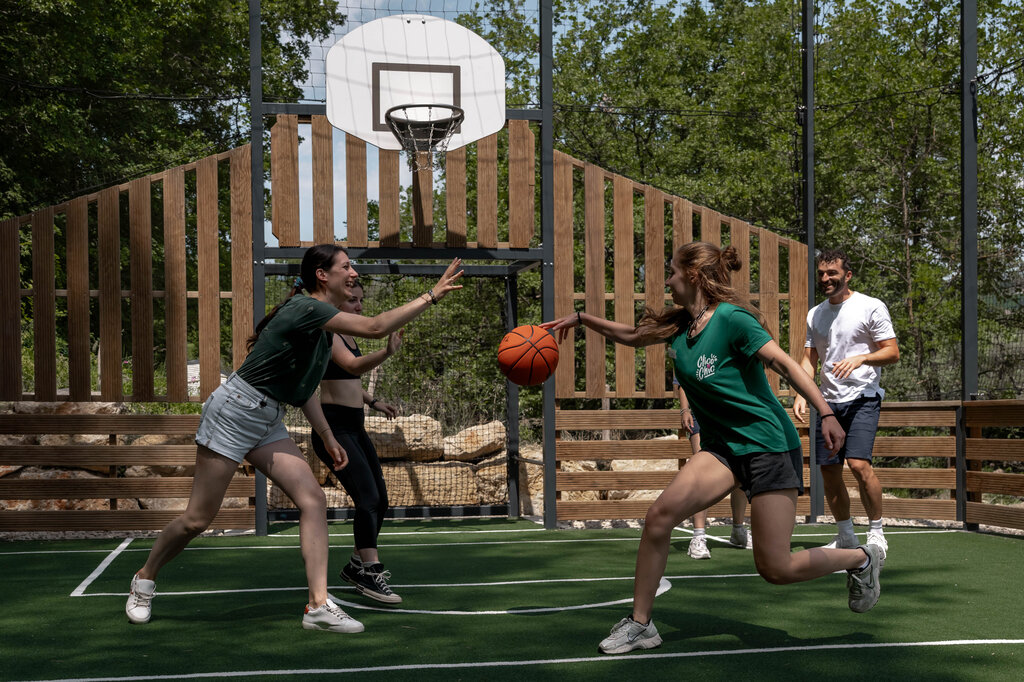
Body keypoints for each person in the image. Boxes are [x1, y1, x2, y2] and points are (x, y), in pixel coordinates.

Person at [542, 241, 884, 656]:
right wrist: (581, 318)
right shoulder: (682, 327)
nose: (666, 280)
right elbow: (632, 336)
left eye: (671, 272)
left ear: (693, 276)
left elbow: (784, 364)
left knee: (775, 568)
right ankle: (640, 624)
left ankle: (859, 559)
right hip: (722, 448)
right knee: (658, 518)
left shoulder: (733, 319)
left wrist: (826, 414)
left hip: (768, 447)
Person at [124, 245, 463, 632]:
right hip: (235, 411)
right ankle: (144, 579)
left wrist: (326, 435)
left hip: (268, 418)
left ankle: (318, 605)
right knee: (197, 519)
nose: (353, 273)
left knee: (312, 499)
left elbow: (303, 390)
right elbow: (375, 327)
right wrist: (431, 295)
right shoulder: (307, 308)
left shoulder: (321, 330)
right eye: (346, 266)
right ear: (323, 275)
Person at [793, 248, 899, 561]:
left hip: (864, 398)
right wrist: (801, 391)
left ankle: (877, 532)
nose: (825, 279)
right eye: (822, 274)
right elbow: (808, 359)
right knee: (828, 471)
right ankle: (846, 535)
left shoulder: (870, 306)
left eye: (832, 274)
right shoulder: (815, 314)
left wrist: (861, 358)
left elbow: (892, 352)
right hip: (828, 405)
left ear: (847, 275)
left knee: (858, 464)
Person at [312, 281, 404, 604]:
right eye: (353, 300)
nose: (359, 307)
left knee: (381, 500)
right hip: (333, 428)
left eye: (361, 301)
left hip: (355, 426)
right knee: (366, 498)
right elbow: (351, 366)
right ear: (337, 301)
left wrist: (373, 401)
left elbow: (348, 380)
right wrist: (386, 352)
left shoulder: (349, 335)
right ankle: (370, 570)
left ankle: (355, 566)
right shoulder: (328, 331)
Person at [673, 378, 752, 560]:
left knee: (740, 471)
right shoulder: (693, 350)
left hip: (733, 414)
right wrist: (685, 410)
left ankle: (738, 531)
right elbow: (684, 381)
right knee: (702, 475)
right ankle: (698, 536)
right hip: (702, 414)